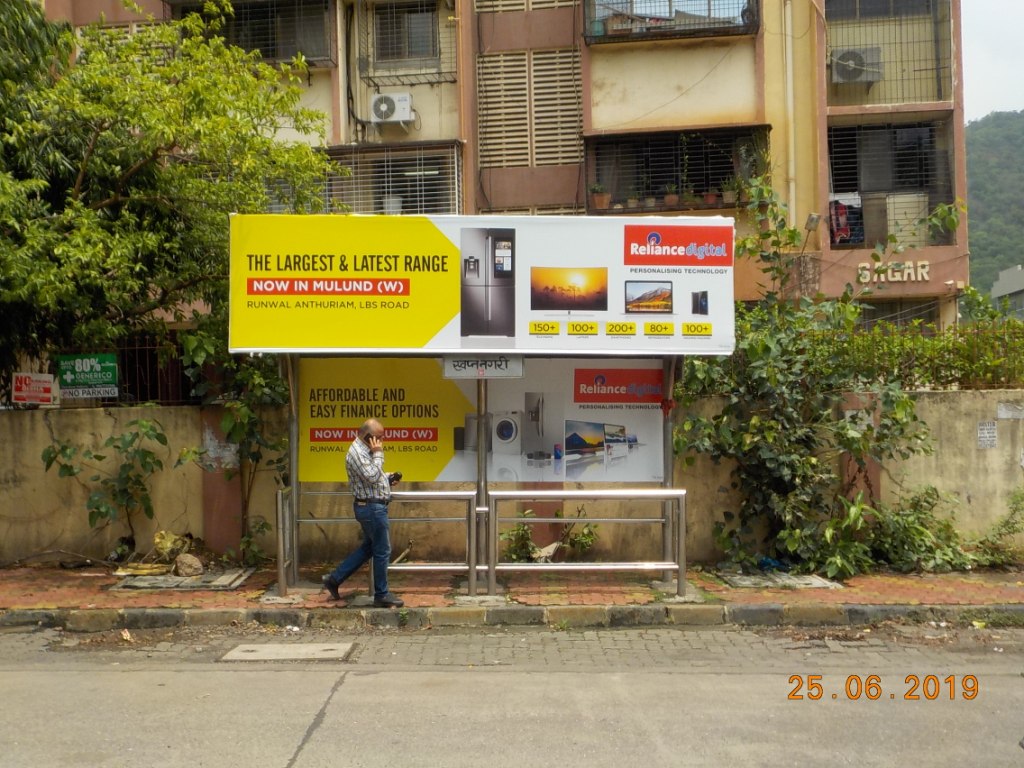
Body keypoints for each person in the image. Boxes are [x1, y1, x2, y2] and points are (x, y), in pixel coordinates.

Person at [322, 418, 404, 608]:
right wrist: (379, 454)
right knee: (382, 550)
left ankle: (334, 579)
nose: (381, 441)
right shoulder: (357, 453)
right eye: (379, 438)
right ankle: (381, 594)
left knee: (369, 548)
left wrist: (387, 478)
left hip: (372, 506)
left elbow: (373, 477)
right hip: (371, 508)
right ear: (368, 437)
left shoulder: (364, 451)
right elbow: (371, 475)